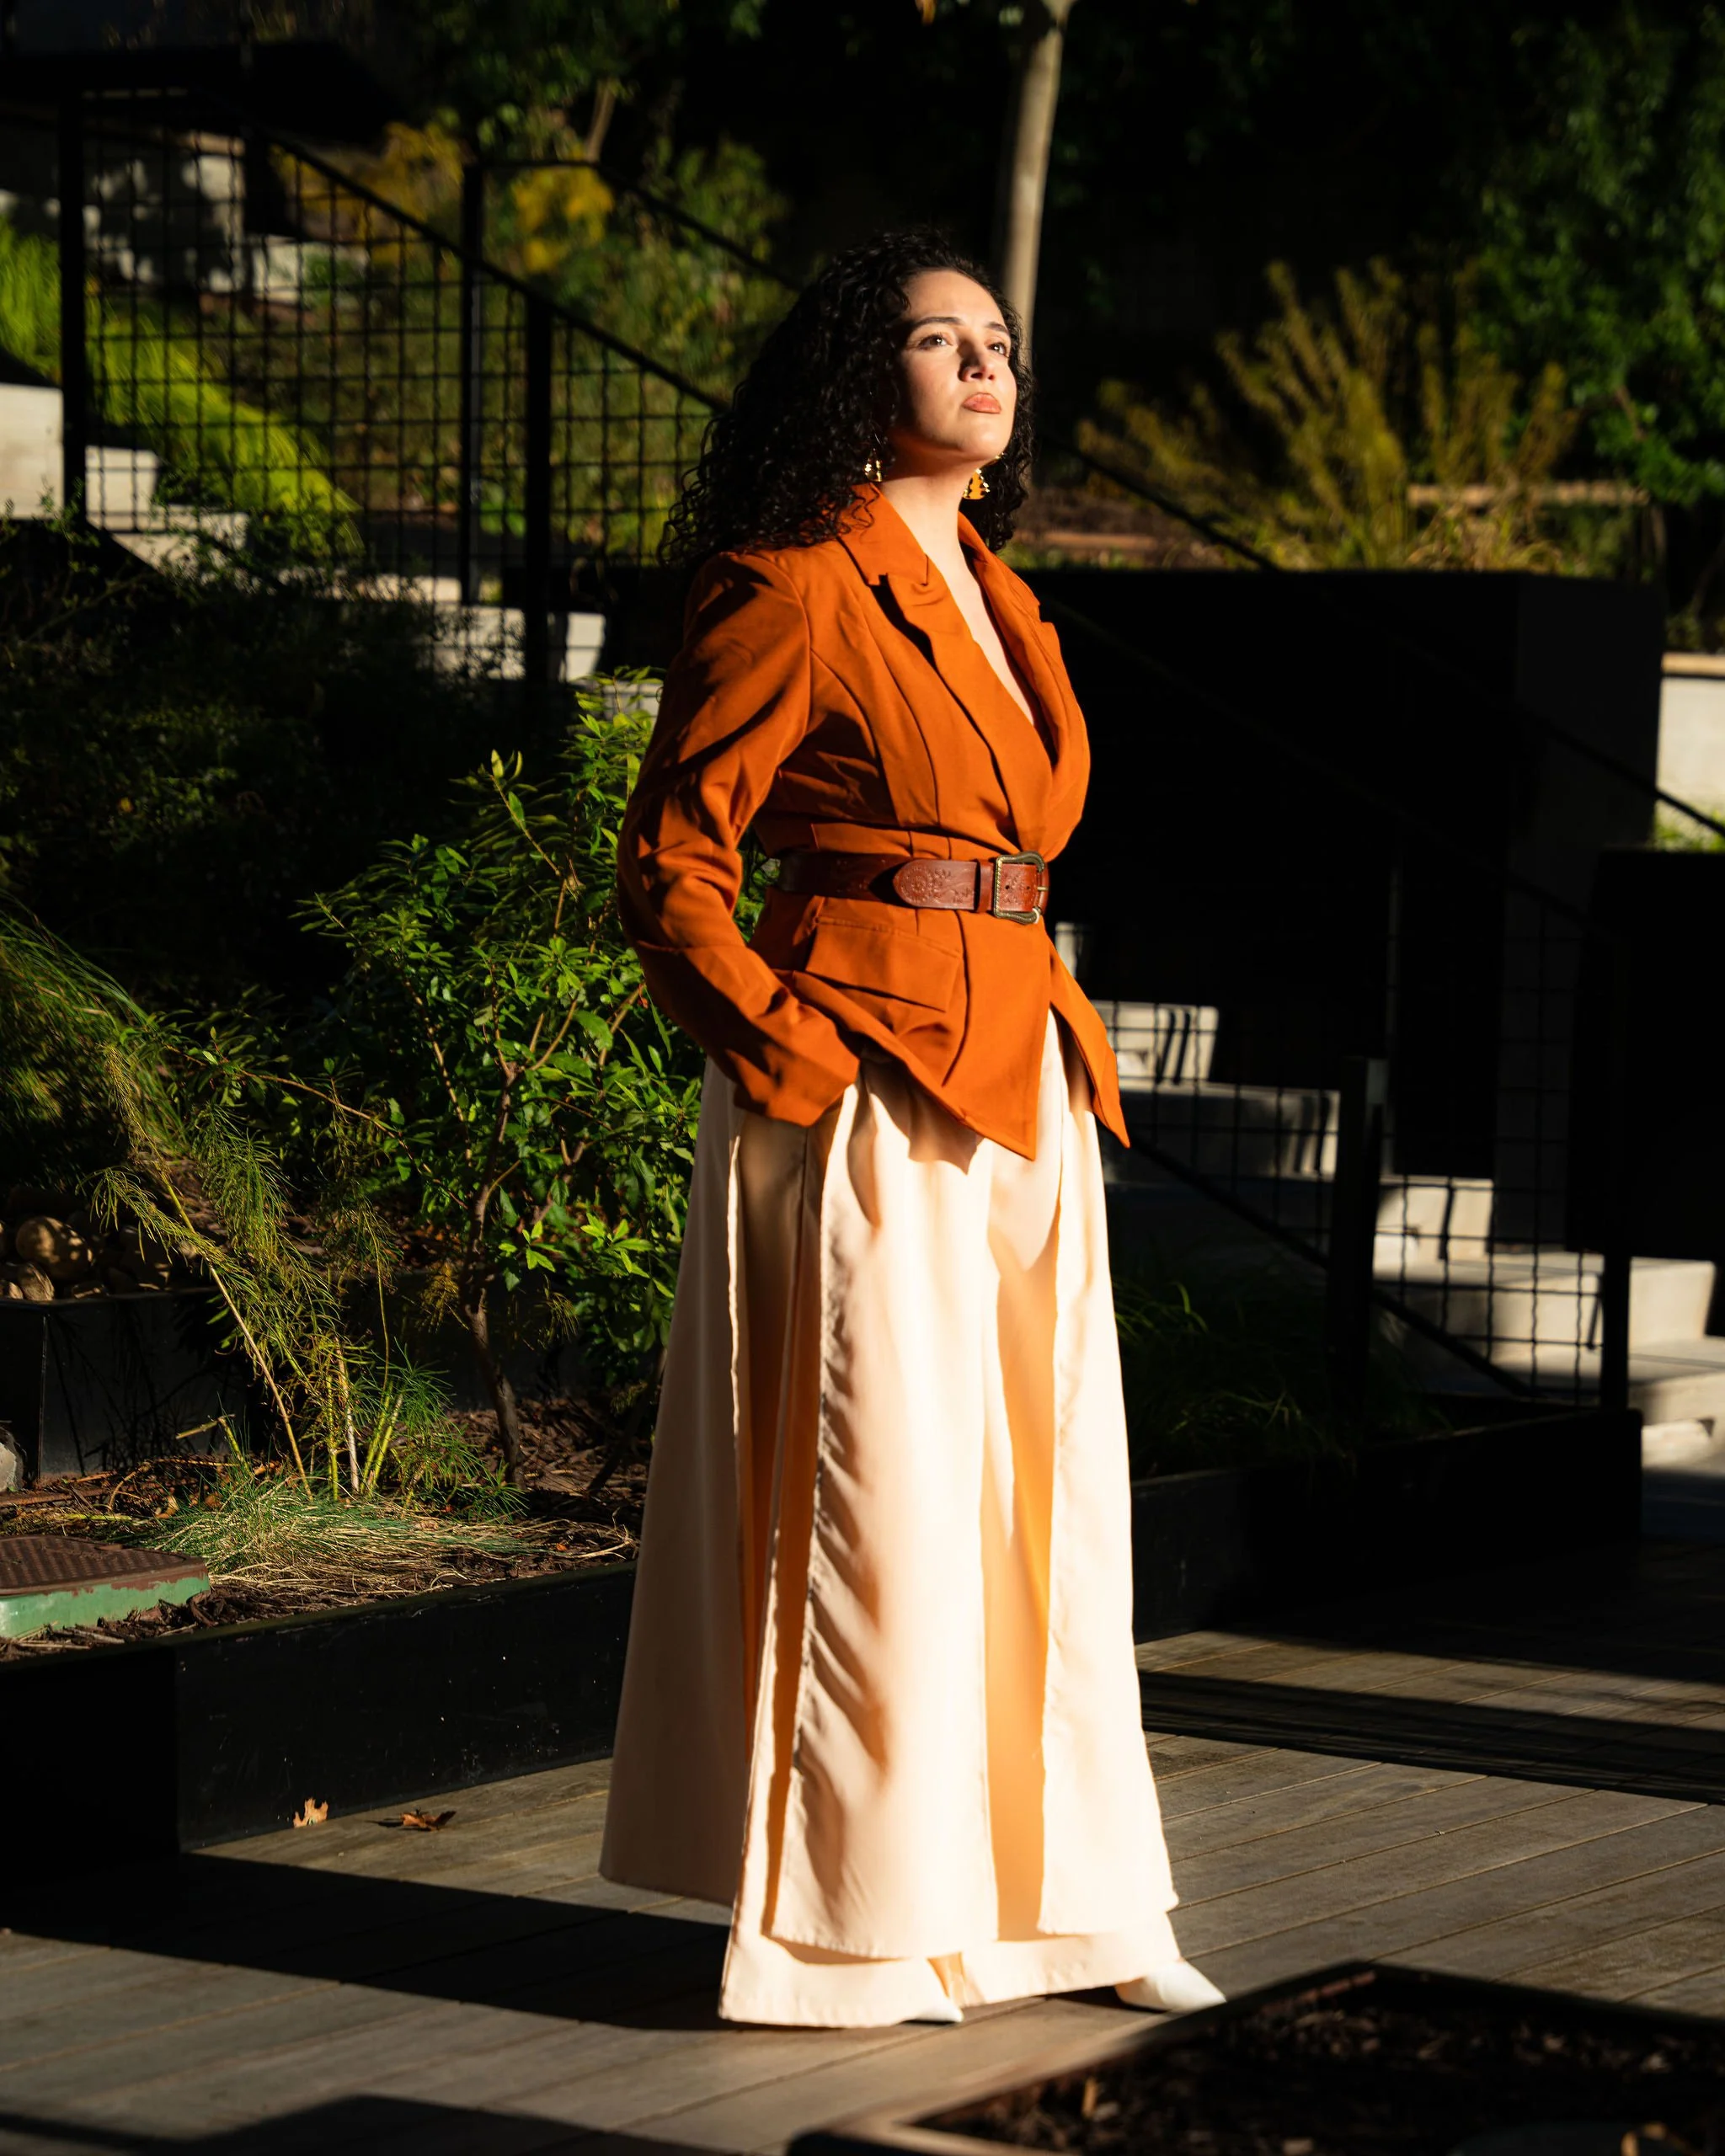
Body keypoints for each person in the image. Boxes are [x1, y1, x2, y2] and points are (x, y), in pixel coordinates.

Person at [599, 228, 1223, 2031]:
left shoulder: (1008, 598)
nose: (981, 360)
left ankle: (1076, 1908)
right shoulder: (790, 576)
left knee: (1049, 1516)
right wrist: (790, 1060)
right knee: (876, 1513)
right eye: (936, 338)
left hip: (1024, 1066)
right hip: (865, 1076)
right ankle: (861, 1929)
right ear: (857, 379)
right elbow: (671, 861)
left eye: (997, 338)